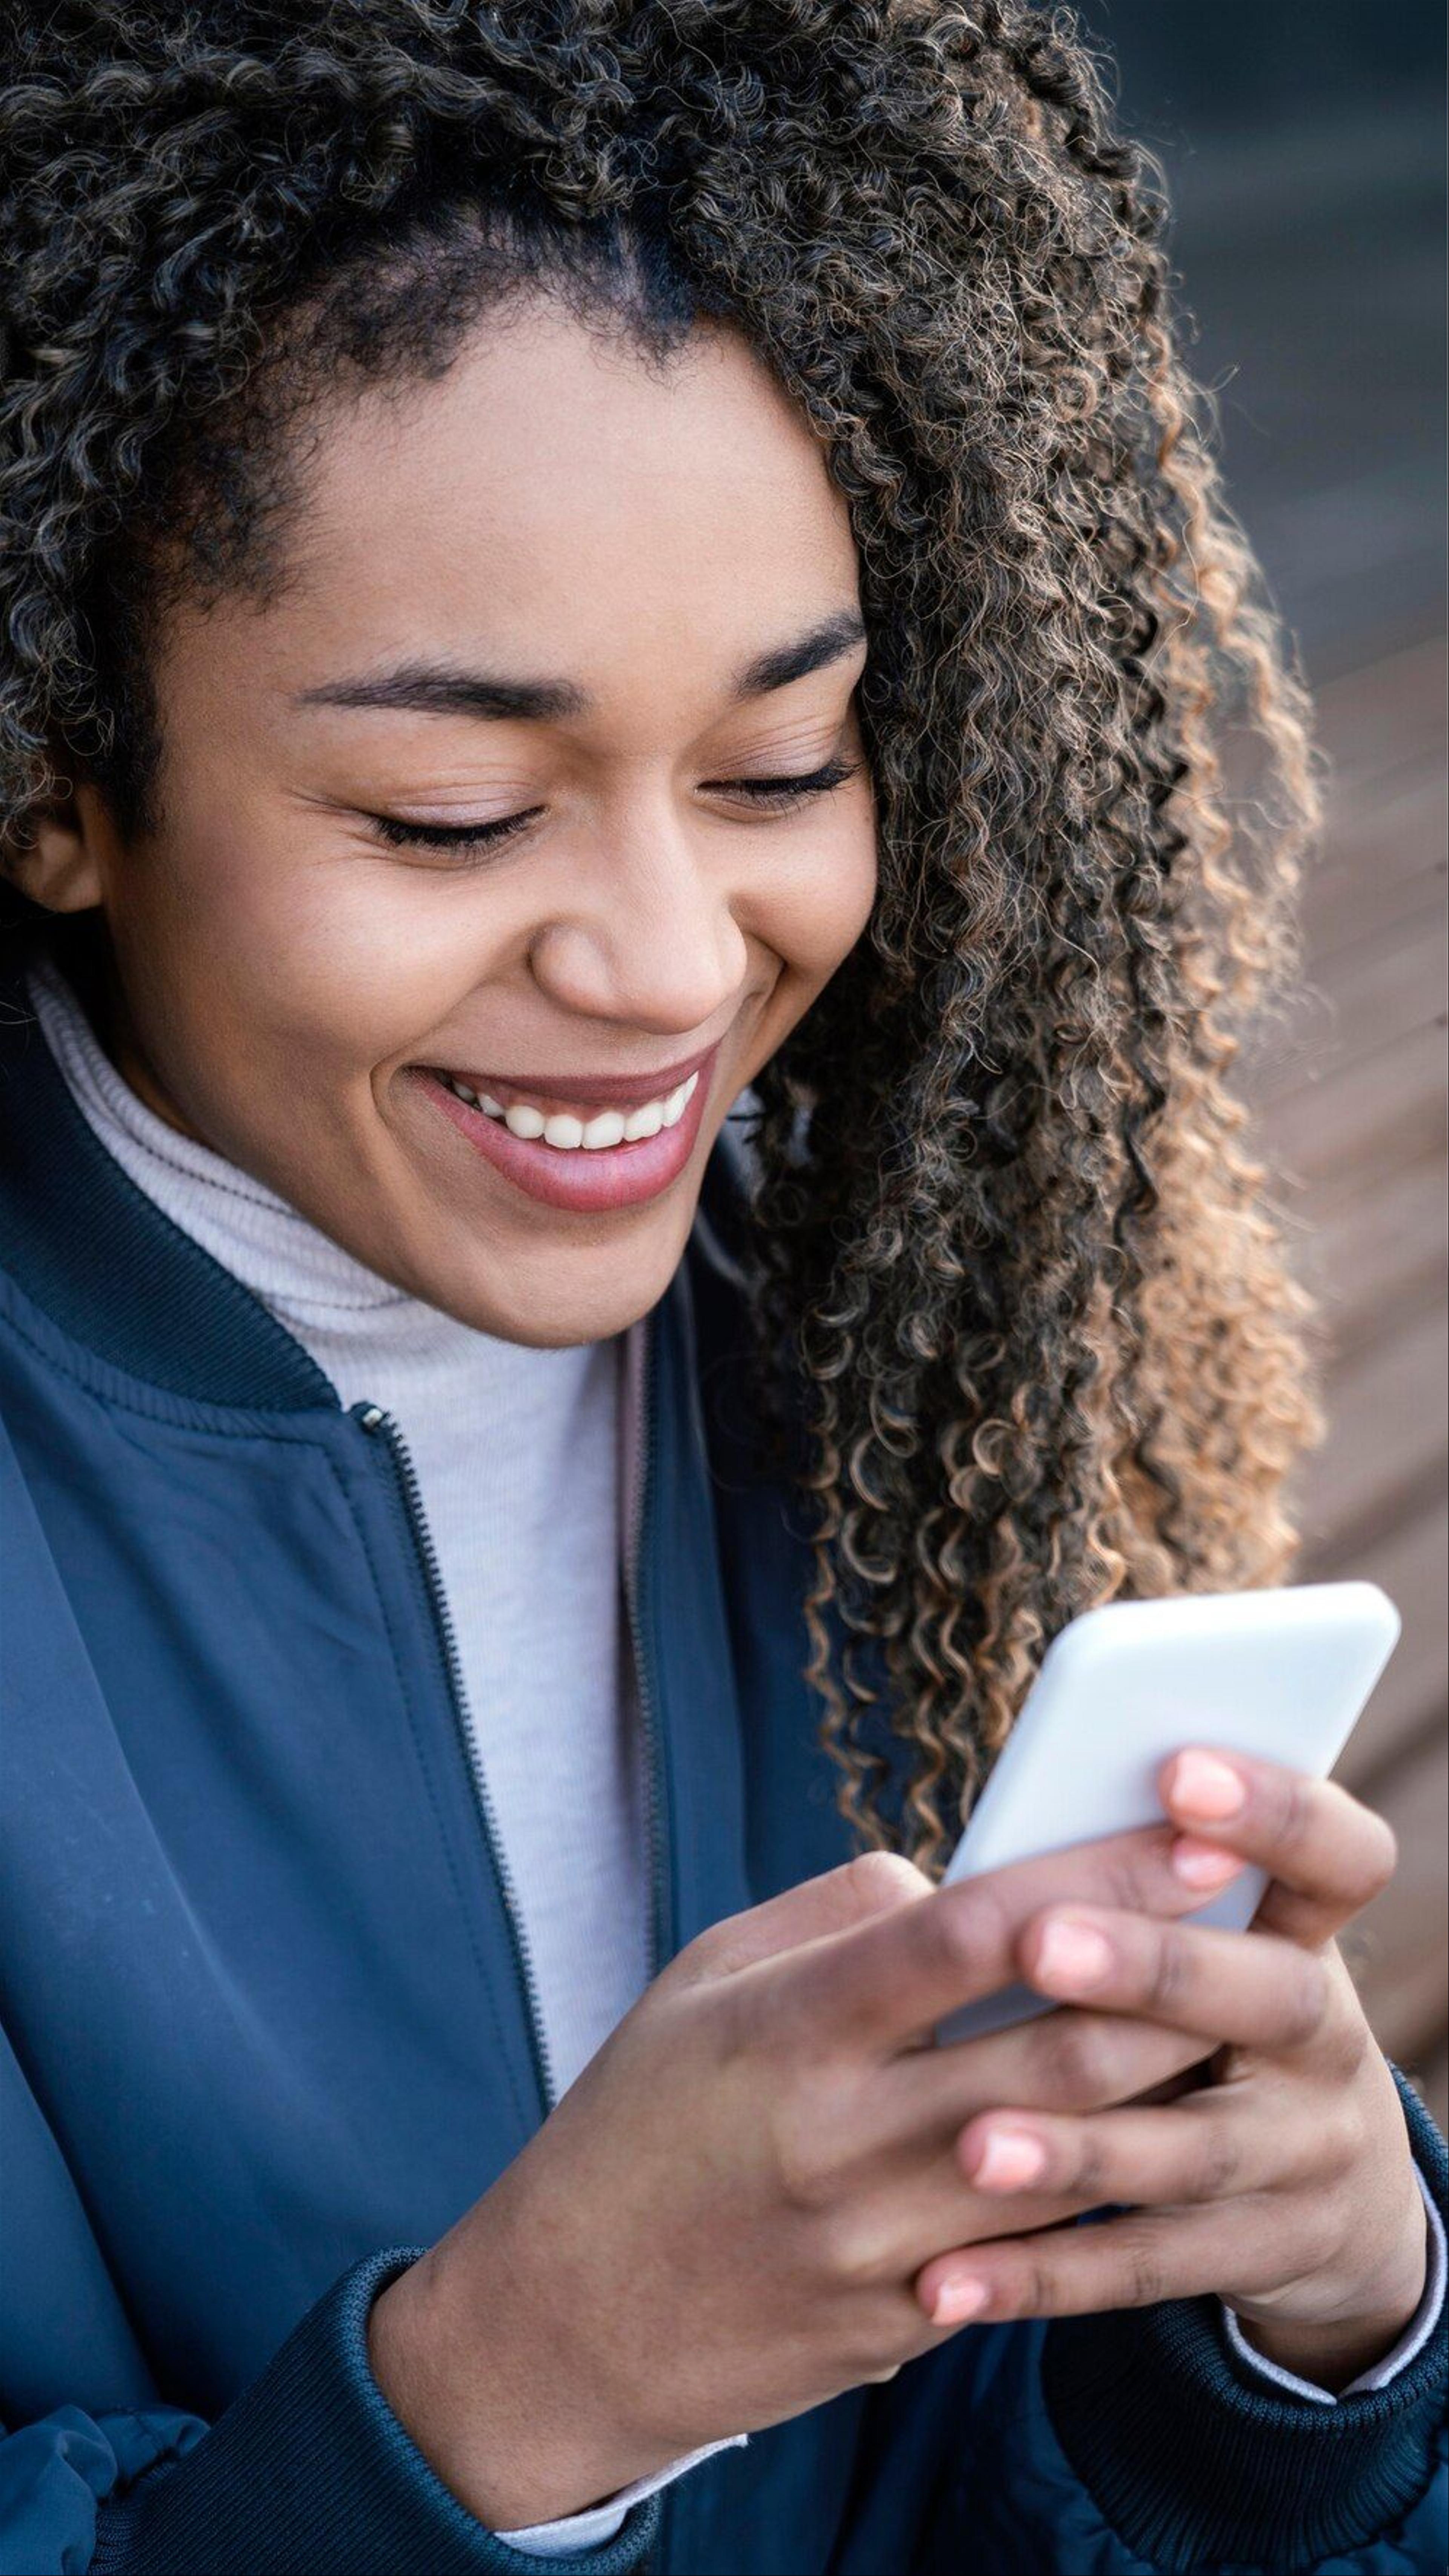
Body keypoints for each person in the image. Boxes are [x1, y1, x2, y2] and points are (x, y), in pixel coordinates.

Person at [1, 5, 1444, 2571]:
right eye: (453, 813)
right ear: (57, 787)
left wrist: (1312, 2339)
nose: (678, 971)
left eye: (784, 769)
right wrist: (512, 2391)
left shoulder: (904, 1330)